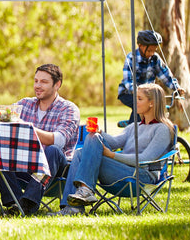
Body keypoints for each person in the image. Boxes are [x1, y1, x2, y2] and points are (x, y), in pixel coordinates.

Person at [50, 83, 174, 217]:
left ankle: (80, 198)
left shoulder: (163, 129)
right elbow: (115, 142)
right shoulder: (134, 126)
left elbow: (145, 158)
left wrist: (112, 155)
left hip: (141, 177)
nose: (135, 102)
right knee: (87, 144)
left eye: (139, 99)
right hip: (122, 172)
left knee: (83, 152)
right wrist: (99, 132)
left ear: (152, 103)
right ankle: (77, 201)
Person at [0, 64, 80, 216]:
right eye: (36, 81)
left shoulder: (69, 108)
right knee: (0, 150)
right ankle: (15, 203)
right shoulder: (24, 104)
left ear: (57, 84)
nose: (38, 86)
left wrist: (27, 128)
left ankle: (28, 203)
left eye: (44, 82)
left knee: (52, 150)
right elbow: (3, 121)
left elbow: (59, 141)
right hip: (25, 163)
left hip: (56, 167)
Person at [118, 30, 184, 125]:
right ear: (140, 46)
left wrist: (176, 87)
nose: (152, 53)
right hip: (128, 93)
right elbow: (128, 82)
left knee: (154, 109)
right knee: (139, 105)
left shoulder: (155, 59)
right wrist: (139, 92)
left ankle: (141, 125)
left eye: (154, 50)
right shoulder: (131, 58)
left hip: (147, 94)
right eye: (149, 50)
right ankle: (132, 127)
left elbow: (165, 74)